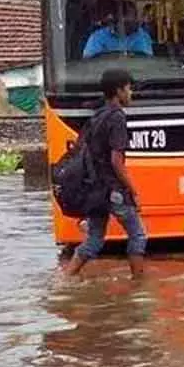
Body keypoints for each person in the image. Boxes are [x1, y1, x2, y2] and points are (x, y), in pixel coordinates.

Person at [63, 69, 148, 279]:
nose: (131, 94)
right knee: (138, 235)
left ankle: (66, 279)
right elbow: (116, 161)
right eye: (128, 89)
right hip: (114, 190)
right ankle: (138, 283)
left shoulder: (99, 115)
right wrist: (133, 190)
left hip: (96, 190)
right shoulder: (117, 117)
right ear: (119, 91)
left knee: (94, 240)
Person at [83, 1, 154, 59]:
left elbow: (146, 62)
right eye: (126, 22)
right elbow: (88, 63)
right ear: (114, 20)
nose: (133, 24)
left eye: (133, 20)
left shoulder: (142, 36)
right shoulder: (97, 38)